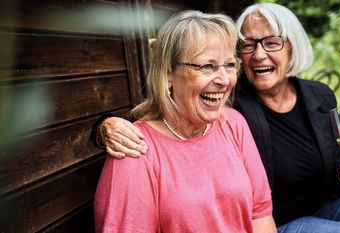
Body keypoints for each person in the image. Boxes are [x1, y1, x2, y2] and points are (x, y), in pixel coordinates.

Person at [93, 3, 340, 233]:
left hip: (325, 201)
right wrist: (103, 127)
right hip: (287, 219)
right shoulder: (234, 106)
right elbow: (162, 112)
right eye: (247, 45)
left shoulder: (314, 96)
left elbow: (326, 166)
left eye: (272, 42)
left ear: (291, 47)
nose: (258, 54)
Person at [93, 10, 277, 233]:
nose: (224, 80)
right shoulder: (135, 149)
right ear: (169, 73)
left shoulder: (233, 123)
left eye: (229, 65)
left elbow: (260, 215)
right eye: (207, 66)